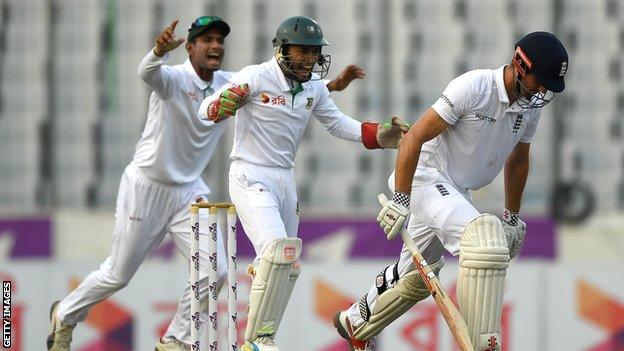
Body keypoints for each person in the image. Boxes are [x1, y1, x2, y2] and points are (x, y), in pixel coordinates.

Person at [46, 16, 365, 351]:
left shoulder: (232, 81)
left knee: (217, 270)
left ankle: (176, 339)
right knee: (118, 274)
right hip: (147, 185)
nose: (216, 46)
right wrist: (156, 52)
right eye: (207, 40)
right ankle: (64, 315)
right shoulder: (172, 78)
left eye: (220, 41)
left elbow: (281, 89)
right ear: (190, 47)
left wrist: (327, 87)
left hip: (189, 192)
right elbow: (147, 74)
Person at [333, 31, 569, 351]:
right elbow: (414, 136)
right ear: (519, 64)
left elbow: (518, 159)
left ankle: (354, 321)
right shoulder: (474, 87)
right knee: (483, 242)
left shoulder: (529, 107)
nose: (542, 91)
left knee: (416, 277)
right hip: (425, 178)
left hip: (456, 190)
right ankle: (481, 343)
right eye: (539, 81)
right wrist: (401, 199)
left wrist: (512, 217)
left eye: (547, 86)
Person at [198, 15, 411, 351]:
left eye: (314, 53)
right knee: (276, 251)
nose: (310, 59)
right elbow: (205, 110)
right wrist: (217, 108)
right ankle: (255, 341)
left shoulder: (312, 89)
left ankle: (264, 334)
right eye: (303, 52)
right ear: (282, 48)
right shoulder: (255, 77)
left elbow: (340, 125)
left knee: (290, 263)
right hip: (249, 174)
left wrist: (384, 135)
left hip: (284, 179)